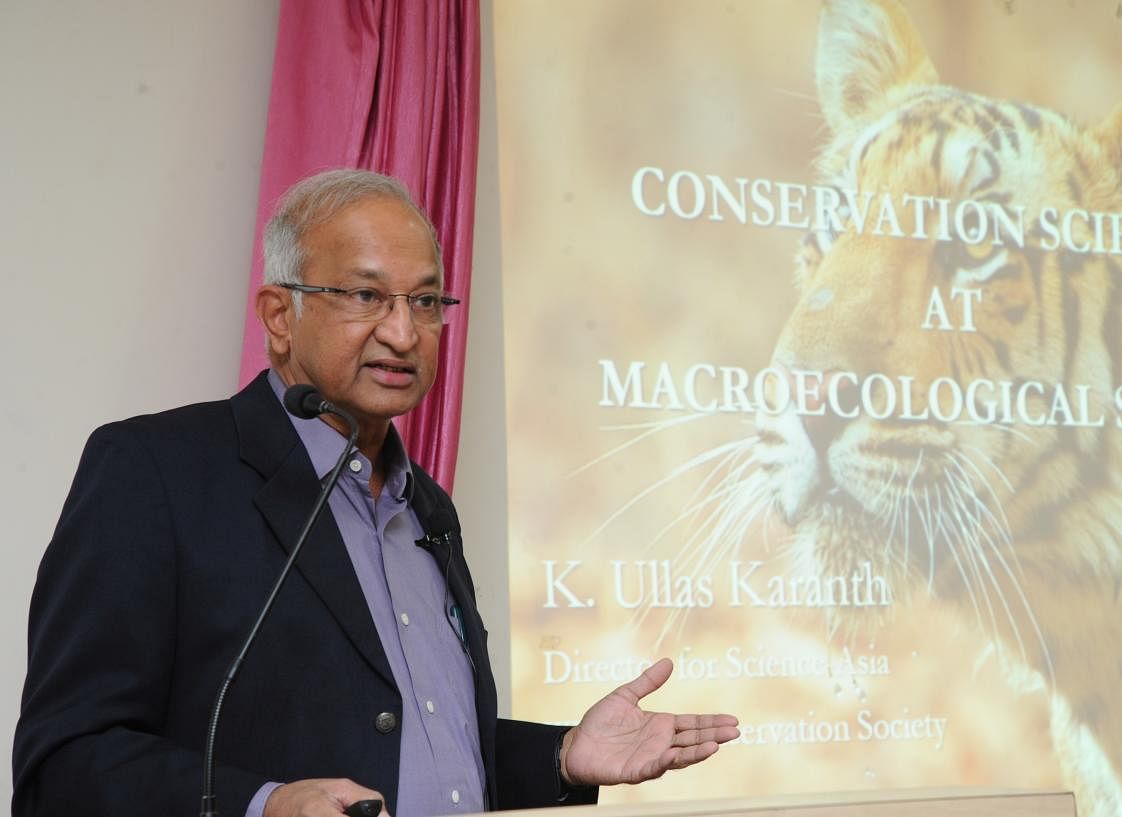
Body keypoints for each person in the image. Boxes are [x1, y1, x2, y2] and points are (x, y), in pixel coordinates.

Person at [12, 169, 739, 817]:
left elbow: (422, 748)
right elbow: (64, 760)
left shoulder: (426, 504)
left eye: (425, 301)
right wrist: (263, 804)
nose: (403, 331)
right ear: (278, 316)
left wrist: (561, 756)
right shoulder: (157, 470)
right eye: (366, 294)